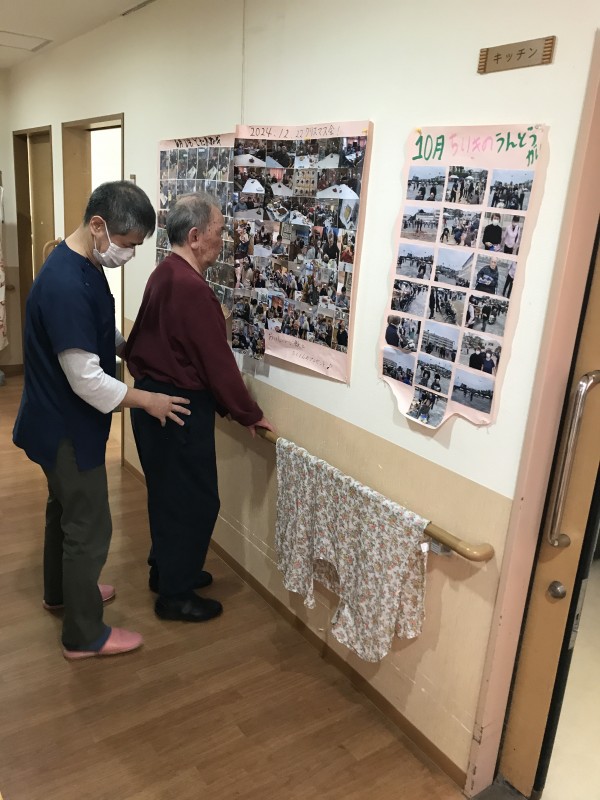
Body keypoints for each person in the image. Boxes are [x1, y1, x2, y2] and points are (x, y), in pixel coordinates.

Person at [13, 181, 191, 660]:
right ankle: (84, 635)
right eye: (127, 244)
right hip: (64, 427)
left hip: (56, 420)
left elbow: (96, 328)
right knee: (89, 527)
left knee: (64, 511)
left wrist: (125, 347)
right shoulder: (65, 284)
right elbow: (87, 381)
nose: (128, 255)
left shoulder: (83, 265)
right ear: (98, 226)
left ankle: (64, 592)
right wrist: (148, 400)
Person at [124, 192, 274, 623]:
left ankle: (168, 572)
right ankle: (175, 595)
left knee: (168, 496)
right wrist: (249, 413)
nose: (223, 240)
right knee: (195, 502)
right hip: (178, 409)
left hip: (153, 402)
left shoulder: (164, 273)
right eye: (219, 231)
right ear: (195, 236)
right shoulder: (192, 289)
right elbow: (217, 364)